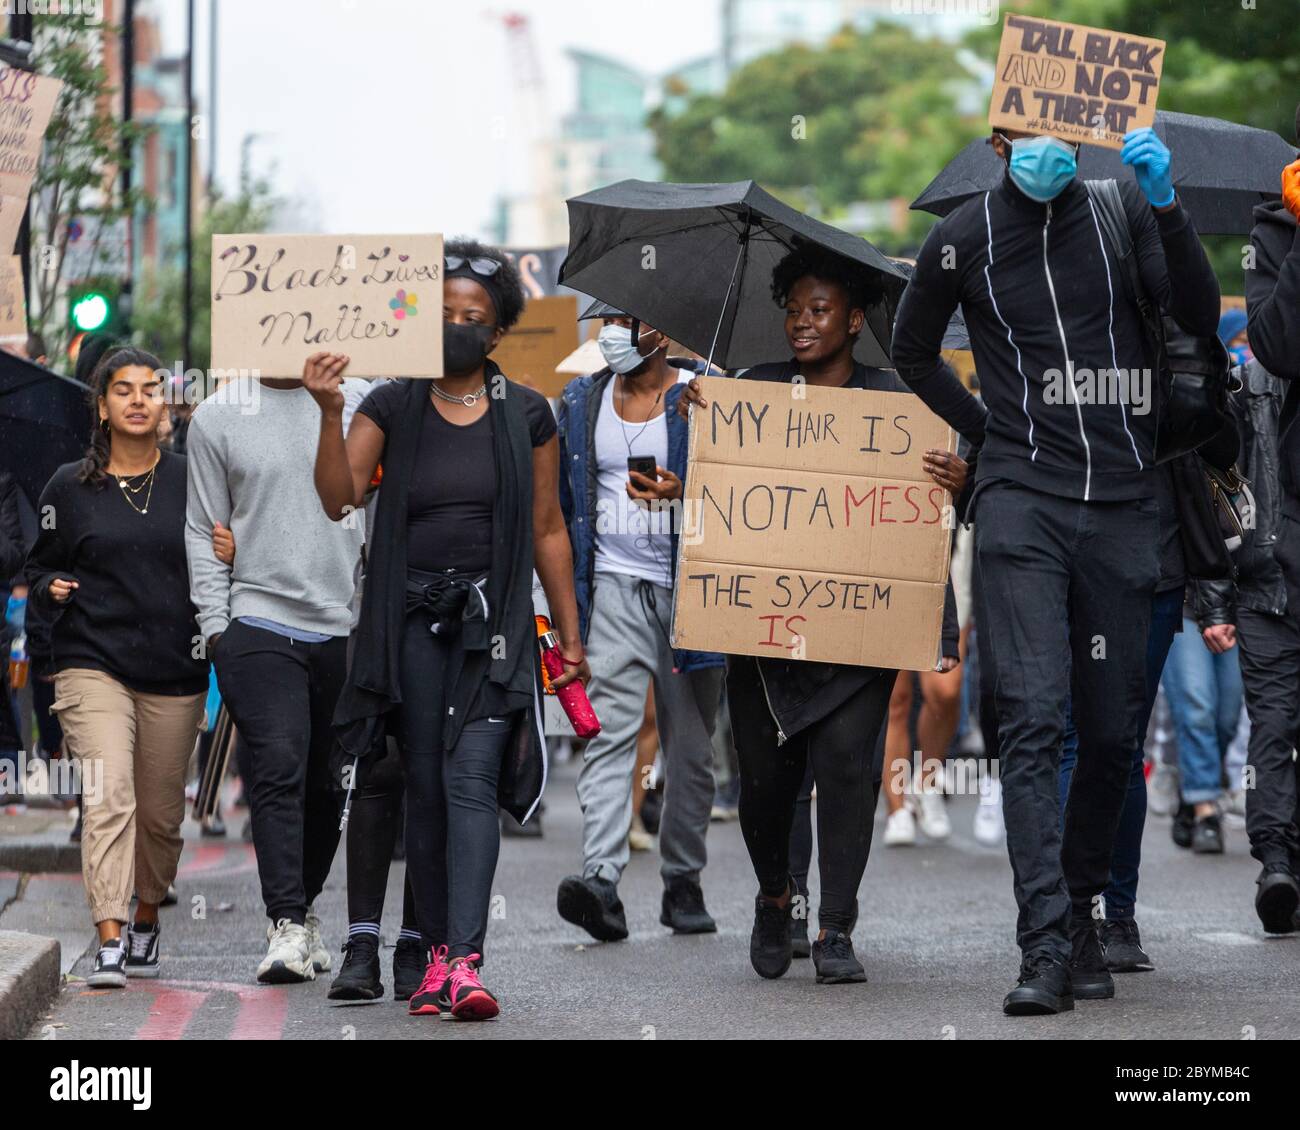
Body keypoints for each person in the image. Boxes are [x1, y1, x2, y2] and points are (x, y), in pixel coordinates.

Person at [891, 124, 1221, 1015]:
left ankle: (1081, 910)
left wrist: (1167, 202)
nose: (1051, 147)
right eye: (1033, 132)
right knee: (1033, 719)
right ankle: (1043, 943)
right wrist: (989, 429)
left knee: (1112, 735)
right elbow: (910, 346)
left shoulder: (1121, 212)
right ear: (1002, 138)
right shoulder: (962, 234)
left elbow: (1195, 310)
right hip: (1020, 505)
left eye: (1065, 131)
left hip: (1124, 503)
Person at [307, 238, 589, 1021]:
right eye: (445, 313)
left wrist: (569, 635)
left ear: (497, 333)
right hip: (407, 631)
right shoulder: (389, 405)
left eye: (475, 317)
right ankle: (430, 955)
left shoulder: (529, 413)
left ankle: (464, 960)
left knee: (470, 787)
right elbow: (339, 496)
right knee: (426, 788)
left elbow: (548, 527)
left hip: (491, 629)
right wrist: (331, 413)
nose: (459, 325)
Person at [681, 242, 964, 985]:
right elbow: (717, 500)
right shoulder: (751, 391)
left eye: (819, 310)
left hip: (856, 631)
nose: (802, 324)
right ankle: (777, 897)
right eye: (792, 311)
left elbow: (928, 522)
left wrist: (958, 480)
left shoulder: (901, 404)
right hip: (763, 632)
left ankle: (835, 925)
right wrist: (702, 430)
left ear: (854, 321)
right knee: (766, 787)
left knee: (846, 769)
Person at [25, 347, 209, 986]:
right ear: (101, 405)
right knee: (108, 795)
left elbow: (221, 555)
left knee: (160, 815)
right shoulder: (67, 486)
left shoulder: (193, 478)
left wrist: (230, 545)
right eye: (123, 390)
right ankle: (108, 935)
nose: (138, 399)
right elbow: (39, 562)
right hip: (92, 662)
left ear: (164, 404)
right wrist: (49, 586)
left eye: (150, 390)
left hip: (174, 666)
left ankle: (146, 918)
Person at [186, 345, 369, 985]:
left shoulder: (364, 402)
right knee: (278, 766)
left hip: (342, 627)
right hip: (258, 621)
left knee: (328, 781)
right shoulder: (216, 415)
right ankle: (285, 922)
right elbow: (200, 526)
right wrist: (217, 628)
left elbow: (379, 512)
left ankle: (306, 910)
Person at [554, 305, 724, 942]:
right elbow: (564, 507)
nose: (613, 334)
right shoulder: (579, 400)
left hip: (690, 594)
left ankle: (683, 879)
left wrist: (690, 488)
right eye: (607, 320)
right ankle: (601, 879)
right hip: (613, 591)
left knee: (692, 748)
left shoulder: (703, 394)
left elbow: (748, 497)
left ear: (660, 329)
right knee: (608, 734)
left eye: (628, 321)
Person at [1239, 118, 1300, 932]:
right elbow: (1280, 343)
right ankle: (1278, 858)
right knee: (1277, 714)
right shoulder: (1274, 229)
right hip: (1285, 523)